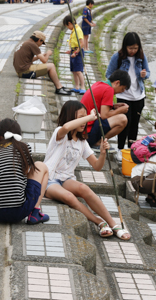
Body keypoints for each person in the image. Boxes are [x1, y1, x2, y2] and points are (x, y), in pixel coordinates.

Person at [44, 101, 131, 240]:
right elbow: (66, 126)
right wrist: (90, 117)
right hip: (48, 179)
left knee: (84, 188)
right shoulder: (59, 133)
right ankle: (99, 222)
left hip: (66, 179)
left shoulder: (82, 142)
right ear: (70, 116)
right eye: (81, 117)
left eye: (86, 118)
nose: (85, 122)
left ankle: (113, 223)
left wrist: (102, 153)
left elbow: (97, 166)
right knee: (69, 197)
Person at [0, 119, 50, 225]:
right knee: (41, 166)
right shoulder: (24, 148)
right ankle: (34, 213)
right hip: (19, 211)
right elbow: (26, 172)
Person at [105, 32, 150, 156]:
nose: (133, 51)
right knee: (124, 123)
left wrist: (144, 75)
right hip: (123, 95)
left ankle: (131, 150)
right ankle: (120, 149)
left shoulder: (141, 56)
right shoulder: (117, 57)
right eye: (130, 48)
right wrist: (118, 81)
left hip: (139, 95)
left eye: (135, 48)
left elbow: (148, 72)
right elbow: (108, 74)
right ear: (125, 46)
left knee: (135, 124)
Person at [80, 70, 130, 148]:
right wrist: (120, 110)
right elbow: (104, 115)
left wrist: (114, 106)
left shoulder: (99, 83)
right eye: (123, 89)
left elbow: (100, 106)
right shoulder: (109, 90)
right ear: (117, 83)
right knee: (123, 119)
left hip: (81, 128)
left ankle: (98, 141)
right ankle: (99, 143)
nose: (122, 91)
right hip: (87, 133)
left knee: (114, 113)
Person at [13, 31, 70, 95]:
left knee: (49, 66)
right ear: (40, 40)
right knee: (51, 66)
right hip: (24, 71)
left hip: (20, 71)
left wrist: (38, 57)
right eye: (42, 43)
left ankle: (60, 86)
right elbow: (44, 61)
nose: (41, 45)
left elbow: (28, 60)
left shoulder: (25, 42)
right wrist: (48, 54)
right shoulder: (33, 44)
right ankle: (59, 88)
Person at [63, 15, 86, 94]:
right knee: (74, 70)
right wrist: (71, 50)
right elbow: (74, 42)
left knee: (79, 71)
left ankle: (83, 87)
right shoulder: (73, 30)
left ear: (70, 23)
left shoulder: (78, 30)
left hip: (78, 52)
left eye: (67, 26)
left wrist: (76, 52)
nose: (68, 28)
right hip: (73, 51)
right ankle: (77, 86)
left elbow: (82, 43)